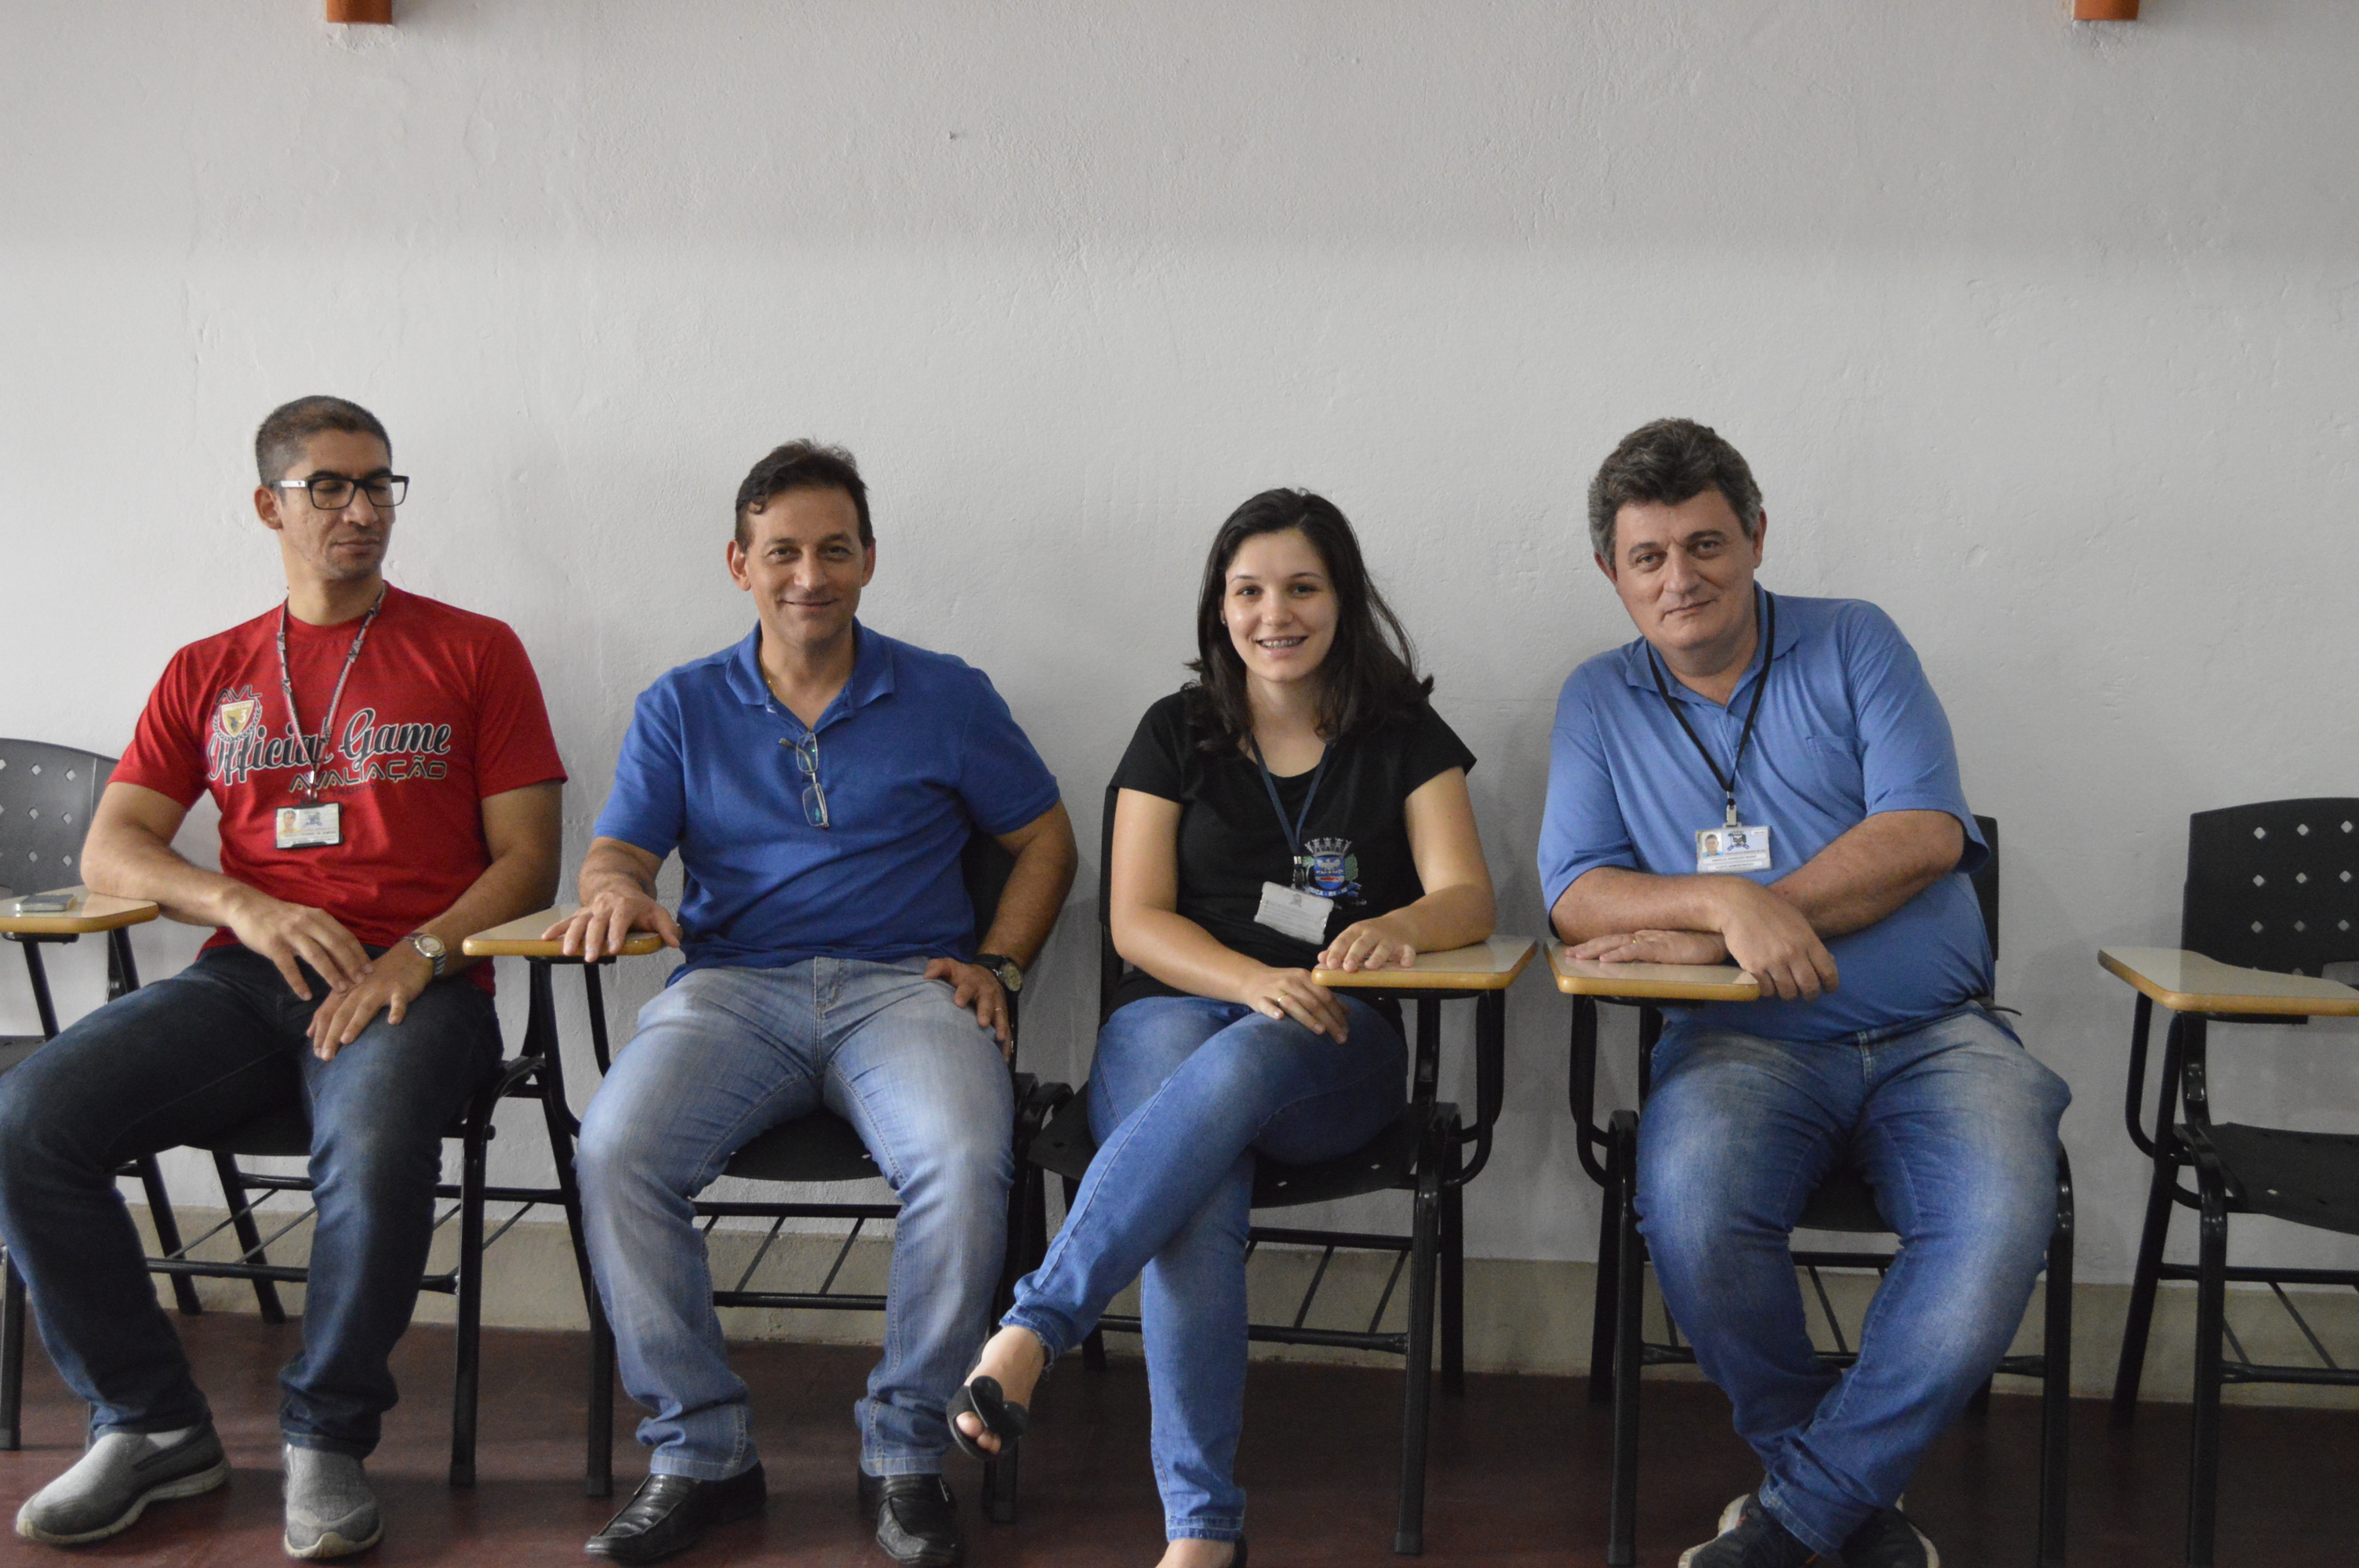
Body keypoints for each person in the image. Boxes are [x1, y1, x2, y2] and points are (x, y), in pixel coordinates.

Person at [0, 396, 566, 1559]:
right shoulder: (208, 668)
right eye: (331, 487)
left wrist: (418, 954)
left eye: (380, 485)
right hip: (246, 982)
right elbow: (114, 850)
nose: (363, 510)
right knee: (26, 1120)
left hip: (419, 984)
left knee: (373, 1139)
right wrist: (243, 905)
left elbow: (528, 862)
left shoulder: (475, 650)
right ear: (270, 505)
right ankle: (151, 1425)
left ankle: (326, 1435)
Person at [1539, 419, 2070, 1568]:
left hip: (1939, 1038)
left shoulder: (1855, 640)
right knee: (1689, 1210)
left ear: (1757, 536)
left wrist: (1746, 917)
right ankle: (1842, 1500)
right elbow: (1577, 894)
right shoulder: (1598, 698)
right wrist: (1725, 913)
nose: (1680, 579)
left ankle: (1796, 1520)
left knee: (1995, 1225)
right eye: (1647, 557)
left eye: (1706, 544)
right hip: (1743, 1049)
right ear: (1611, 573)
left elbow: (1925, 831)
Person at [552, 441, 1078, 1568]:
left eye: (835, 550)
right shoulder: (682, 704)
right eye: (782, 552)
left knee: (963, 1155)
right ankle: (700, 1454)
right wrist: (615, 892)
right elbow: (619, 852)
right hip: (733, 990)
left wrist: (1001, 963)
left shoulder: (946, 693)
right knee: (616, 1150)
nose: (809, 576)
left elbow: (1046, 841)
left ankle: (907, 1449)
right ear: (738, 563)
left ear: (869, 560)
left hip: (907, 991)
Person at [951, 490, 1496, 1568]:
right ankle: (1200, 1536)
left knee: (1245, 1061)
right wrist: (1251, 978)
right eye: (1248, 591)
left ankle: (1034, 1328)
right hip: (1174, 1011)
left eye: (1301, 588)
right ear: (1220, 606)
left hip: (1331, 1038)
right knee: (1199, 1177)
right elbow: (1136, 921)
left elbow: (1467, 895)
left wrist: (1397, 927)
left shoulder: (1402, 737)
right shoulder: (1176, 730)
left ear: (1344, 599)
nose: (1273, 614)